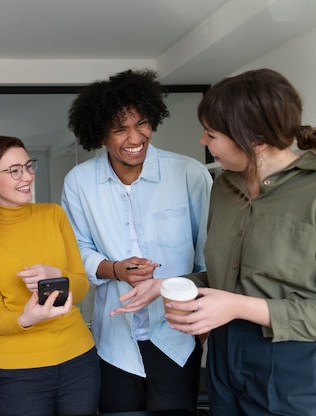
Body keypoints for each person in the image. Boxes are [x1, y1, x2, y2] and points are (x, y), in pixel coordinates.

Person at [112, 68, 316, 415]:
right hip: (222, 354)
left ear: (255, 139)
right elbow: (225, 277)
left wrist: (237, 307)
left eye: (212, 134)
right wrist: (168, 285)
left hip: (291, 364)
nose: (203, 143)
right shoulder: (223, 187)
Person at [61, 69, 213, 414]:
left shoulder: (189, 174)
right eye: (120, 128)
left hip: (176, 335)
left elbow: (207, 259)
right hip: (114, 339)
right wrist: (115, 269)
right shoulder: (79, 183)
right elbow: (77, 250)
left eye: (142, 123)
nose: (135, 137)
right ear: (100, 135)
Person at [0, 135, 99, 416]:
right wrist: (26, 319)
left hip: (79, 359)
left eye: (28, 166)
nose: (27, 176)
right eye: (14, 171)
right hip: (19, 371)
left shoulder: (54, 215)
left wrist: (57, 274)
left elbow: (82, 287)